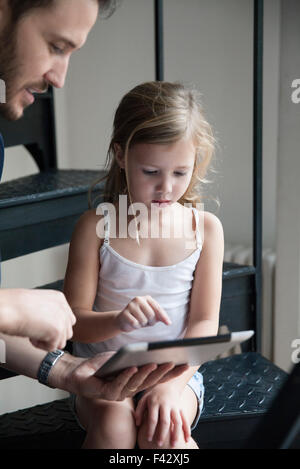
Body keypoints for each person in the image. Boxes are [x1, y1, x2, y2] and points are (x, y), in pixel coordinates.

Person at [0, 0, 187, 406]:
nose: (60, 78)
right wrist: (10, 306)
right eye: (56, 45)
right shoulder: (96, 227)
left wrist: (61, 368)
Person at [63, 81, 224, 449]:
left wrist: (171, 386)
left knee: (166, 435)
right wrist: (117, 321)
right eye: (151, 172)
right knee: (114, 428)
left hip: (176, 372)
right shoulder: (96, 228)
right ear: (122, 156)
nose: (166, 187)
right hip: (101, 372)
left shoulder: (206, 229)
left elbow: (203, 323)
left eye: (180, 172)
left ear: (196, 161)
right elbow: (74, 323)